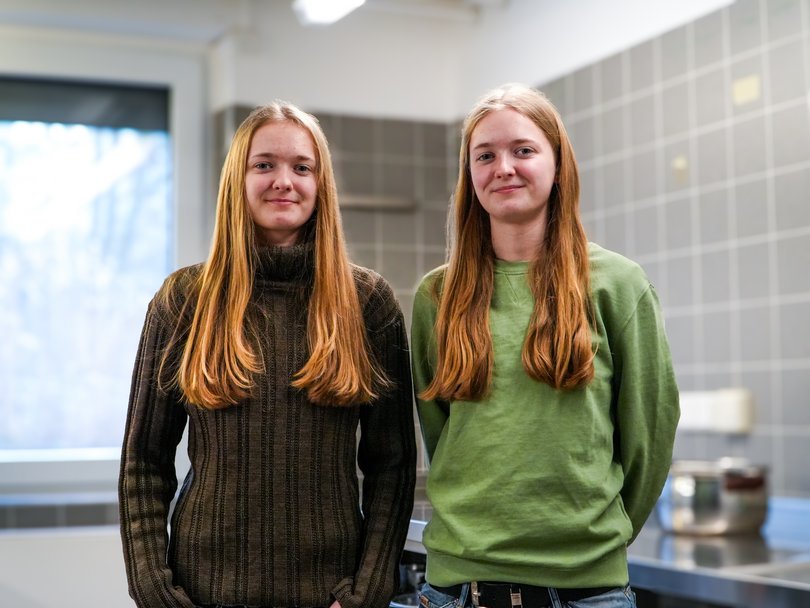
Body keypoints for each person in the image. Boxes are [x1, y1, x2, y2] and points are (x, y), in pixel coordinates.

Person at [119, 101, 416, 608]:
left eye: (302, 167)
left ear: (321, 186)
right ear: (239, 179)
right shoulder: (183, 300)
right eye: (265, 165)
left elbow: (392, 465)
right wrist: (158, 595)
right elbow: (144, 464)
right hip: (204, 593)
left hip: (330, 596)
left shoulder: (367, 302)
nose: (285, 180)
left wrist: (366, 593)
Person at [410, 83, 679, 608]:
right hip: (459, 587)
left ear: (558, 165)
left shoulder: (618, 285)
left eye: (524, 150)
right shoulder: (437, 295)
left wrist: (596, 537)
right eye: (484, 155)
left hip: (587, 590)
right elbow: (440, 434)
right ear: (470, 176)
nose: (503, 167)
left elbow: (649, 433)